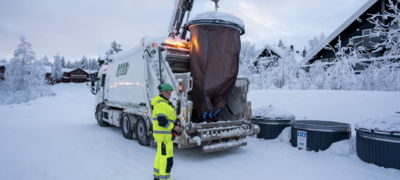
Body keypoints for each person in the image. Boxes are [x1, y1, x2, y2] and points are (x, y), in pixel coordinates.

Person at [152, 83, 183, 180]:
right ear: (161, 92)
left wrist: (177, 122)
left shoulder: (165, 103)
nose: (169, 94)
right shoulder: (162, 104)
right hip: (164, 138)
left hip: (164, 137)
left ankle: (157, 177)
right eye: (167, 92)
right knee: (166, 161)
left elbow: (170, 117)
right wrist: (174, 127)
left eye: (170, 92)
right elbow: (162, 121)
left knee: (160, 156)